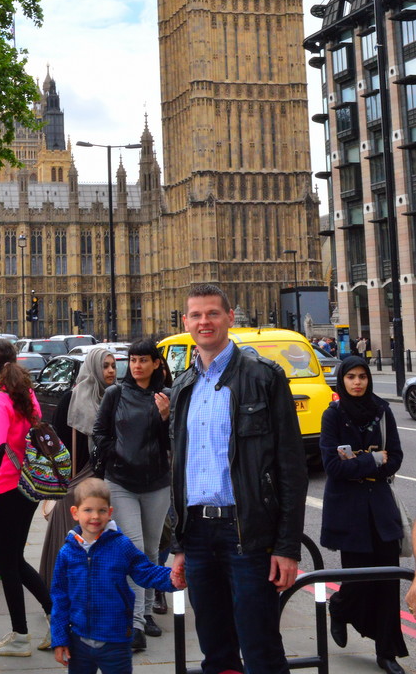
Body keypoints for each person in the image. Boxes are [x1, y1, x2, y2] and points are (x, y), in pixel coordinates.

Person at [169, 283, 307, 674]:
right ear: (185, 322)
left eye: (213, 313)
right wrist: (180, 544)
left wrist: (287, 546)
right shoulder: (182, 386)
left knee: (261, 648)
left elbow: (291, 467)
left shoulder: (264, 376)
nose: (204, 322)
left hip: (246, 533)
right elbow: (179, 471)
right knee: (215, 651)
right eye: (196, 315)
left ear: (230, 317)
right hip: (198, 533)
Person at [320, 355, 407, 674]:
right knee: (357, 581)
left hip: (380, 507)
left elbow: (395, 457)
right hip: (349, 510)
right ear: (342, 380)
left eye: (362, 376)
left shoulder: (382, 411)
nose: (357, 382)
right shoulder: (333, 415)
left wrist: (360, 464)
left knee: (387, 582)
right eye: (351, 377)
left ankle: (387, 653)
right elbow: (332, 466)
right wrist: (372, 461)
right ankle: (340, 607)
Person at [0, 338, 52, 657]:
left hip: (6, 488)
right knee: (14, 559)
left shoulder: (0, 399)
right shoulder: (26, 393)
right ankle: (56, 618)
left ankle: (21, 636)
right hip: (29, 486)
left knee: (7, 563)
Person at [51, 477, 178, 674]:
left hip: (115, 640)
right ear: (75, 513)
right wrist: (59, 638)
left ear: (110, 512)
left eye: (101, 510)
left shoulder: (121, 545)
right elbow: (59, 597)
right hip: (79, 640)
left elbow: (145, 571)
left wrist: (173, 577)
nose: (95, 516)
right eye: (88, 510)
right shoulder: (67, 552)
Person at [92, 337, 171, 652]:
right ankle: (134, 623)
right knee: (134, 549)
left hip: (157, 483)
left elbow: (175, 440)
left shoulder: (166, 397)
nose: (137, 366)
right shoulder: (115, 393)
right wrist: (117, 454)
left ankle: (147, 612)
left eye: (143, 360)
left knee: (151, 551)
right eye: (133, 360)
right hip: (121, 481)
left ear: (156, 364)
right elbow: (99, 432)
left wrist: (165, 418)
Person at [40, 346, 117, 587]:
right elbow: (59, 445)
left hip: (107, 480)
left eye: (113, 366)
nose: (111, 371)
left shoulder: (115, 398)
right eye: (105, 366)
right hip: (77, 481)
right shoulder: (71, 399)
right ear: (93, 368)